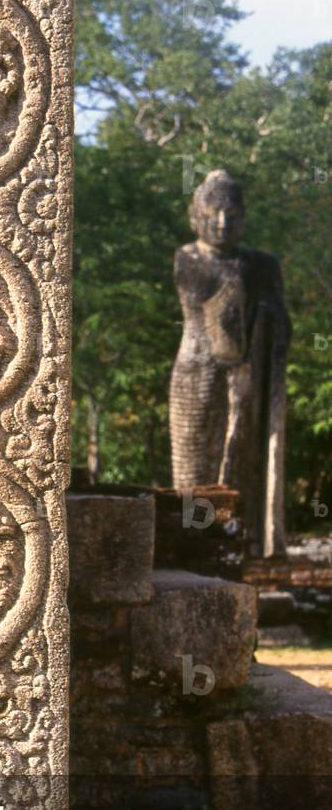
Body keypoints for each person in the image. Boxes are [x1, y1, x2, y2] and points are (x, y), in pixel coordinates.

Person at [170, 169, 291, 557]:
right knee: (194, 469)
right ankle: (192, 546)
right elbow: (216, 313)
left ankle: (239, 544)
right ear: (196, 217)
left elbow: (278, 321)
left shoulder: (262, 264)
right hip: (197, 373)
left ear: (244, 218)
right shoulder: (189, 259)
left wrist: (269, 317)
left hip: (243, 375)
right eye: (214, 213)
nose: (223, 223)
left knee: (241, 463)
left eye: (232, 214)